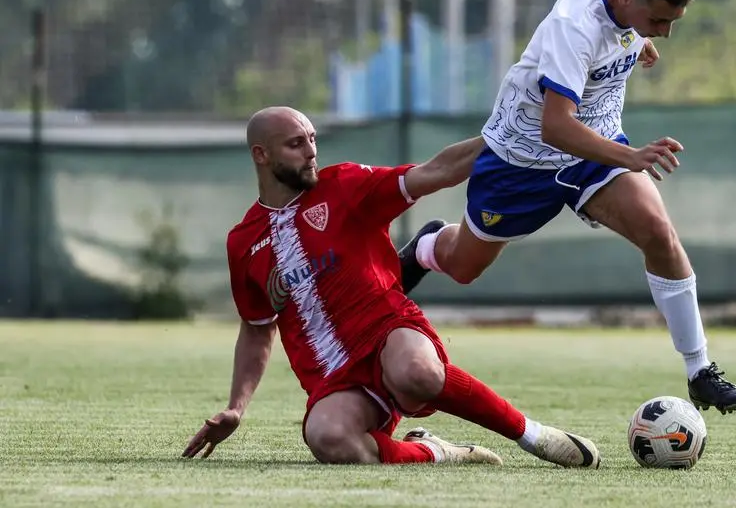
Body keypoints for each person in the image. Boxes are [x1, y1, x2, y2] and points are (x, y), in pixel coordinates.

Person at [399, 0, 736, 415]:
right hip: (522, 159)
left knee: (658, 232)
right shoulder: (574, 28)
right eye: (659, 21)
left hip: (594, 148)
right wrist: (633, 156)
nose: (664, 33)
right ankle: (427, 246)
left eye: (671, 24)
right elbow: (556, 127)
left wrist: (636, 36)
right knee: (463, 265)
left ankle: (699, 370)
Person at [182, 106, 600, 468]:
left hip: (387, 331)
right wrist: (236, 407)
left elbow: (435, 171)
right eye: (296, 144)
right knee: (328, 438)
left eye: (312, 139)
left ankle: (533, 435)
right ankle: (436, 452)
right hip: (336, 380)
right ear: (261, 154)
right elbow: (257, 327)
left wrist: (514, 135)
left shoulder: (343, 185)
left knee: (415, 373)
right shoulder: (242, 242)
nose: (311, 151)